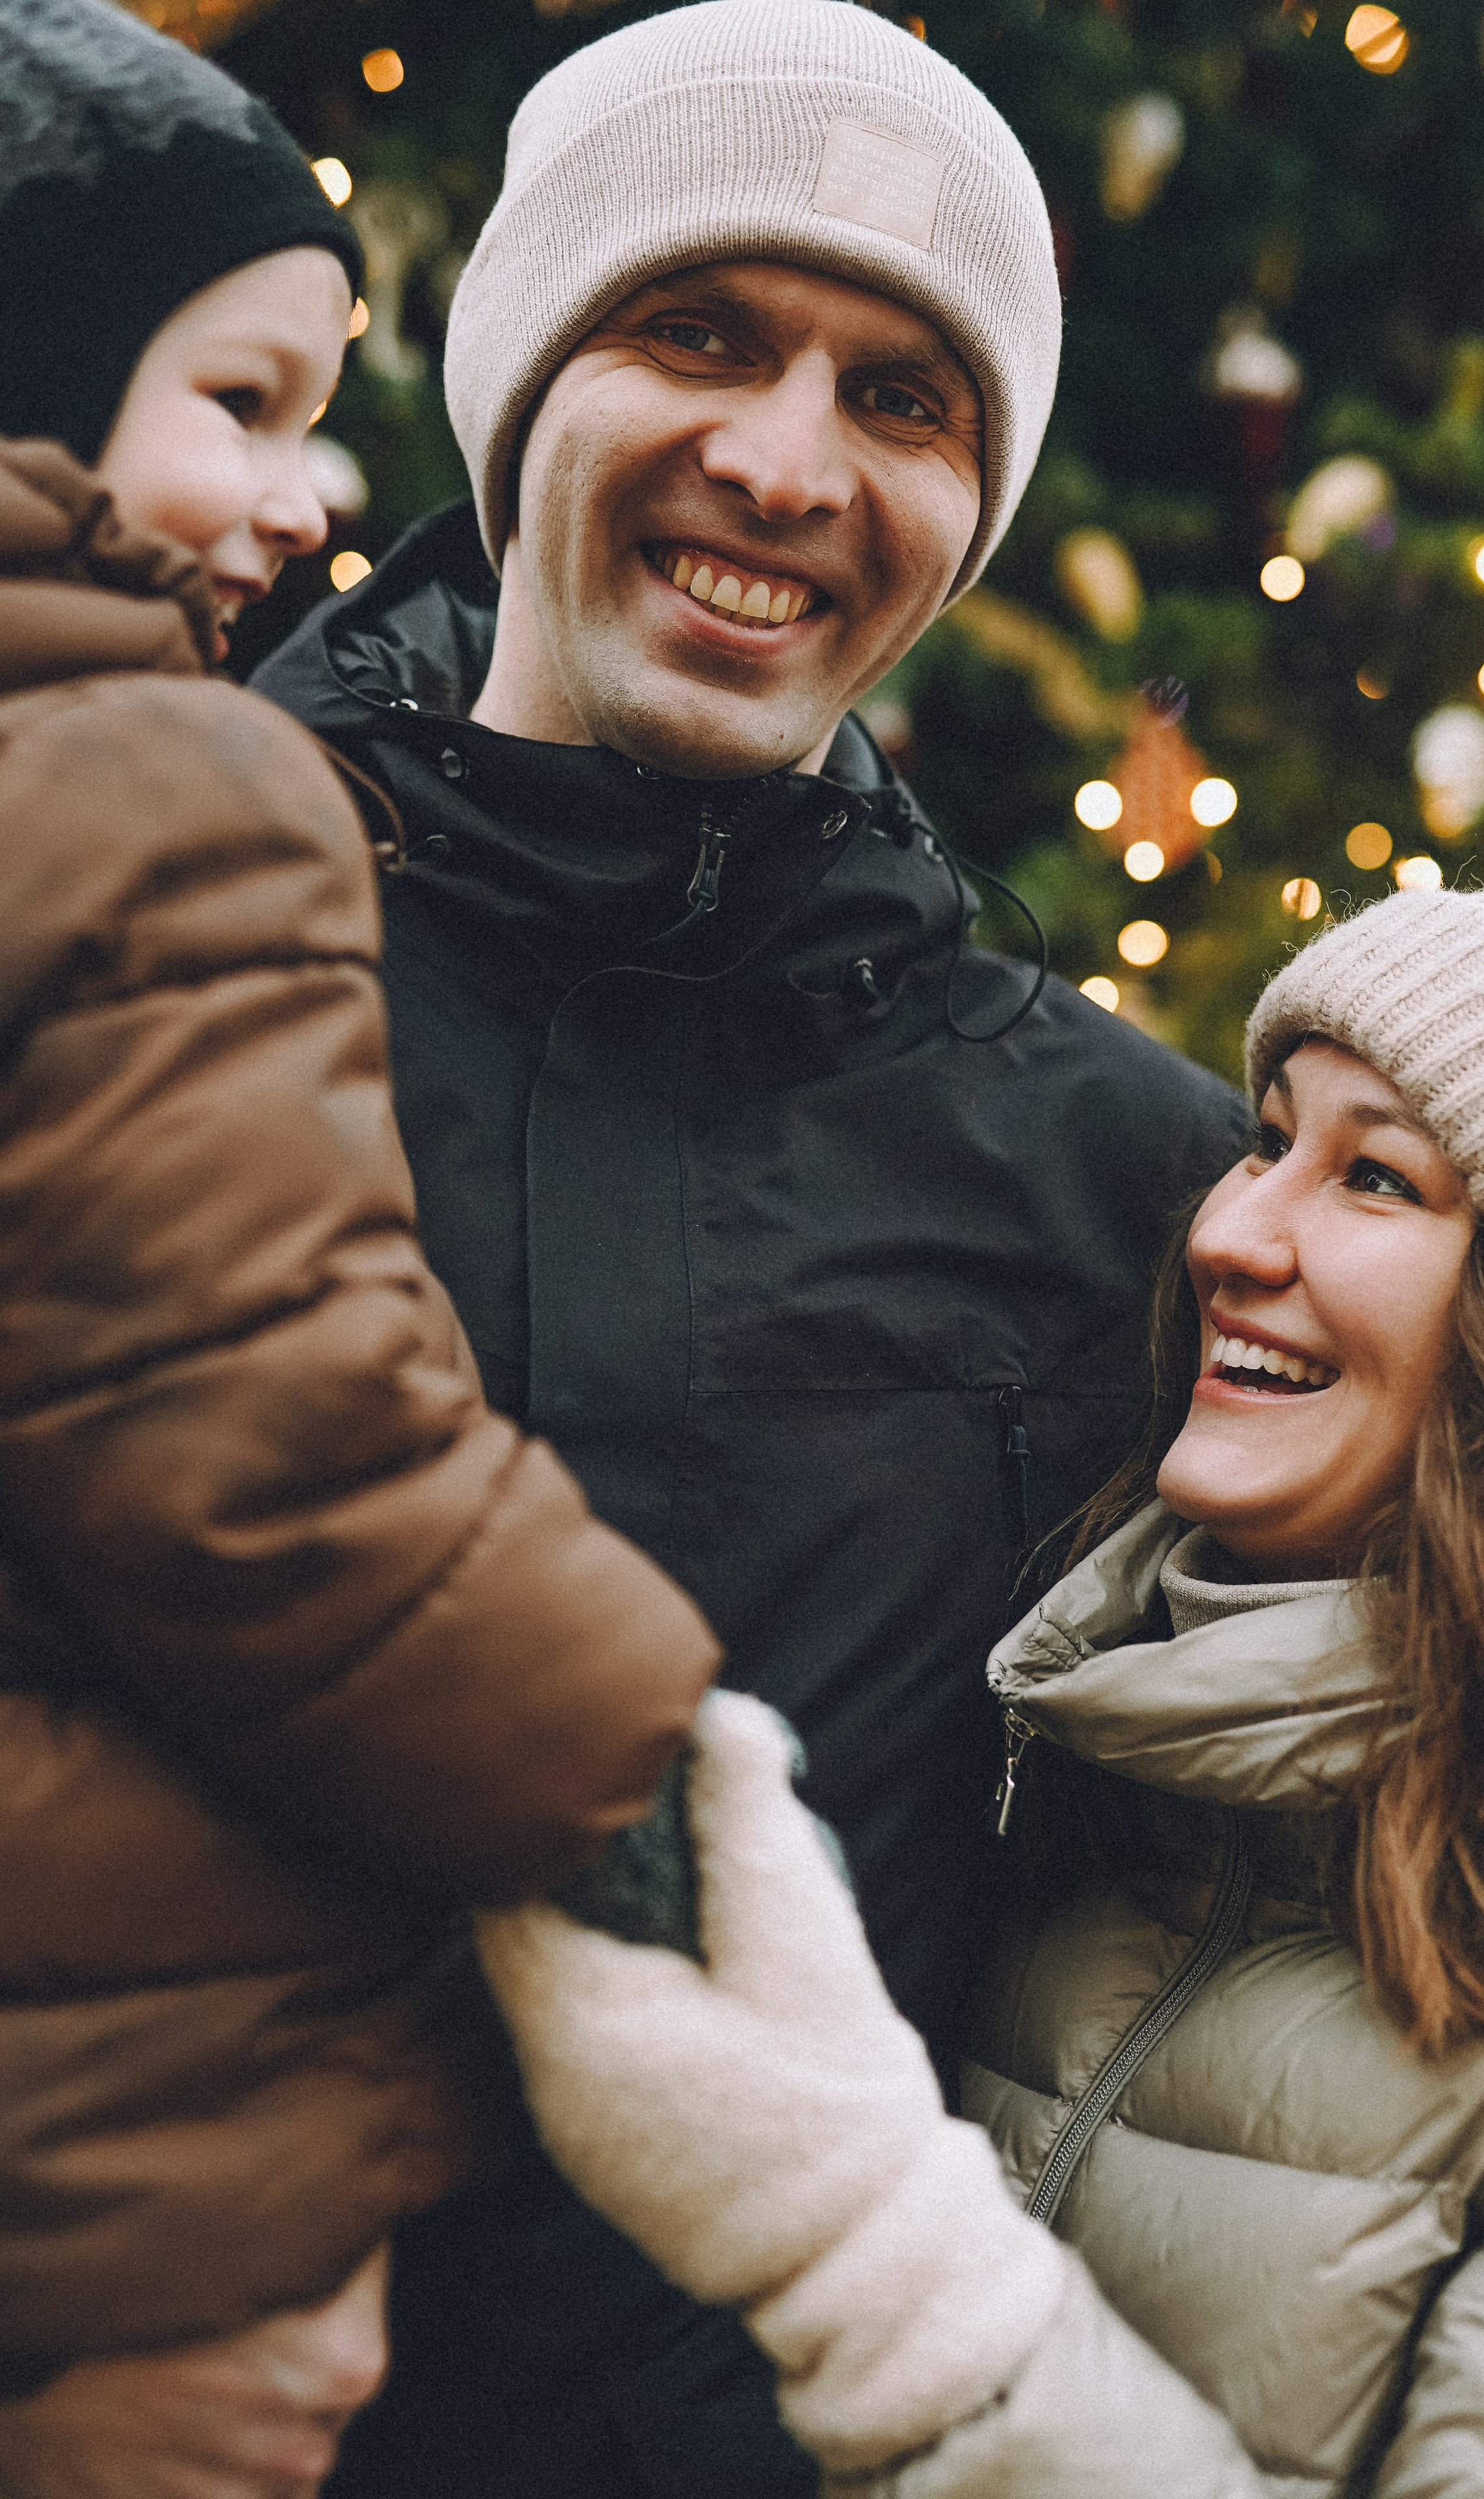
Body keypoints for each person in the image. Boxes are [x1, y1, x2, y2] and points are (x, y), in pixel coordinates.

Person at [252, 5, 1247, 2485]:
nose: (788, 466)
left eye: (904, 400)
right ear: (520, 390)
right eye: (697, 333)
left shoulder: (1135, 1185)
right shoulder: (146, 991)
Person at [479, 874, 1484, 2496]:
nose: (1226, 1233)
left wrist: (853, 2235)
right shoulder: (1111, 1765)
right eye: (1267, 1141)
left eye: (1373, 1177)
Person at [0, 7, 717, 2494]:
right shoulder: (156, 774)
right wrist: (630, 1756)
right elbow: (266, 1436)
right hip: (136, 2158)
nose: (311, 501)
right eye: (238, 400)